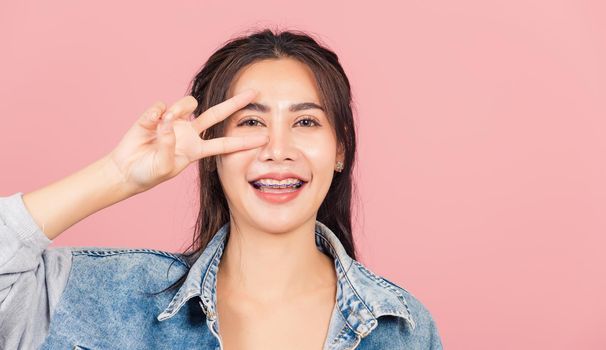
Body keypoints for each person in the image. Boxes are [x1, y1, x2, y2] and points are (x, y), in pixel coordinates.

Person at [0, 28, 443, 349]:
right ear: (210, 153)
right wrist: (118, 175)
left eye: (305, 122)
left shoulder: (403, 330)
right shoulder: (104, 295)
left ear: (340, 150)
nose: (278, 149)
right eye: (251, 122)